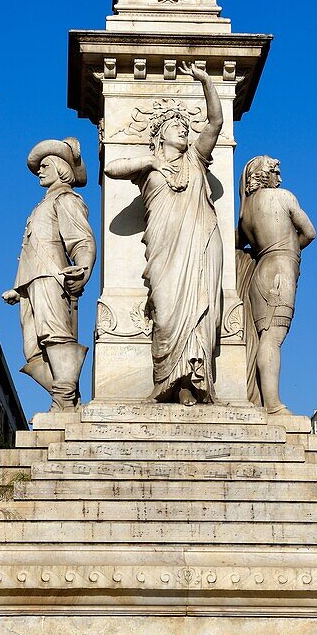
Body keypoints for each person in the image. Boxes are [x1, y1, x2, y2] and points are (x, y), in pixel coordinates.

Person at [105, 63, 223, 404]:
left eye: (186, 127)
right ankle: (167, 380)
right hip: (164, 249)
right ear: (160, 134)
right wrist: (150, 163)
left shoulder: (197, 159)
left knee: (202, 310)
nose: (184, 130)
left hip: (201, 243)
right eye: (177, 126)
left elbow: (215, 122)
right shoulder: (148, 166)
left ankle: (192, 381)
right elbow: (113, 168)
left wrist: (206, 79)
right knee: (166, 310)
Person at [3, 137, 96, 410]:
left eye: (45, 166)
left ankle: (64, 399)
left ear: (60, 168)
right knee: (33, 350)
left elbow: (82, 240)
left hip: (51, 278)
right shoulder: (42, 205)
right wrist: (18, 288)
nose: (40, 171)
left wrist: (83, 268)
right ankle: (66, 396)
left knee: (56, 337)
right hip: (30, 284)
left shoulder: (67, 200)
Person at [236, 155, 316, 413]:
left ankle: (264, 398)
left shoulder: (245, 211)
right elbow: (310, 232)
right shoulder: (283, 197)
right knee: (273, 339)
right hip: (280, 271)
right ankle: (272, 404)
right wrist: (289, 248)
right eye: (275, 172)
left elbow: (238, 242)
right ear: (262, 174)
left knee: (263, 338)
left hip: (260, 272)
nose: (279, 179)